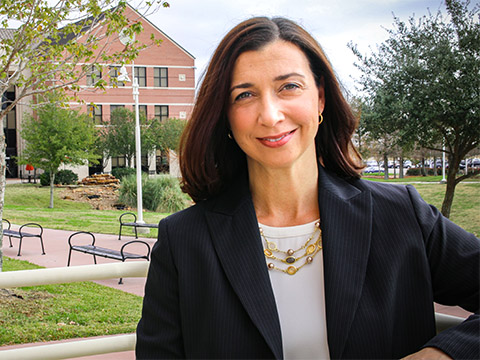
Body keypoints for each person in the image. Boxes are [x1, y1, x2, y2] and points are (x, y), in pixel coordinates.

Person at [136, 16, 479, 360]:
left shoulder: (403, 214)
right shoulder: (184, 240)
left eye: (289, 87)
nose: (270, 115)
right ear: (225, 116)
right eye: (244, 95)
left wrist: (439, 355)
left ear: (320, 99)